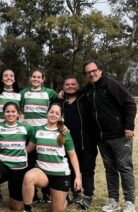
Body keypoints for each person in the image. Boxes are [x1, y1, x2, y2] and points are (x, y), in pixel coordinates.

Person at [82, 61, 137, 212]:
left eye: (94, 71)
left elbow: (130, 103)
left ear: (100, 70)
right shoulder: (87, 90)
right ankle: (113, 200)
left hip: (120, 136)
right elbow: (75, 95)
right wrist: (63, 93)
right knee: (110, 169)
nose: (91, 74)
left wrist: (128, 127)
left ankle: (130, 202)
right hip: (102, 138)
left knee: (125, 168)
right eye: (88, 72)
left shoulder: (111, 84)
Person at [22, 102, 82, 212]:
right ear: (47, 113)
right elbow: (29, 148)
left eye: (57, 113)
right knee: (28, 177)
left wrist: (78, 176)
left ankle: (66, 200)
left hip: (60, 175)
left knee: (56, 210)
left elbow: (72, 155)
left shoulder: (64, 133)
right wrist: (11, 152)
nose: (53, 115)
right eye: (51, 112)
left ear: (60, 117)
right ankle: (27, 209)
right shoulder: (38, 130)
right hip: (42, 172)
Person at [0, 102, 34, 211]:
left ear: (18, 114)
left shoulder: (27, 128)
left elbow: (36, 137)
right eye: (7, 112)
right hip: (2, 164)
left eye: (13, 111)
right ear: (3, 114)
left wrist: (26, 150)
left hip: (19, 167)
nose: (10, 114)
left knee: (17, 207)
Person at [20, 69, 58, 203]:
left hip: (45, 131)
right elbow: (18, 107)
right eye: (33, 77)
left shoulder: (50, 92)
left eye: (38, 77)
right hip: (28, 131)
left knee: (44, 159)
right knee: (29, 161)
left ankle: (46, 192)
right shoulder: (24, 92)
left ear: (43, 79)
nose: (36, 79)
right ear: (30, 79)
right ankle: (33, 193)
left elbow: (58, 105)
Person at [61, 76, 98, 209]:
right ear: (63, 87)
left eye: (73, 84)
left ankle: (88, 196)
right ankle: (76, 193)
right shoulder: (60, 103)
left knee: (87, 170)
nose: (70, 86)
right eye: (67, 84)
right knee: (69, 169)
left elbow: (90, 88)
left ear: (78, 86)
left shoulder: (84, 99)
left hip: (86, 143)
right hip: (68, 144)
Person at [0, 68, 22, 202]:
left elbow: (22, 108)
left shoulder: (20, 93)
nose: (8, 77)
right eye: (5, 76)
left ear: (14, 79)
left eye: (11, 75)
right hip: (0, 130)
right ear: (1, 79)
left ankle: (16, 183)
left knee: (14, 156)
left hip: (14, 130)